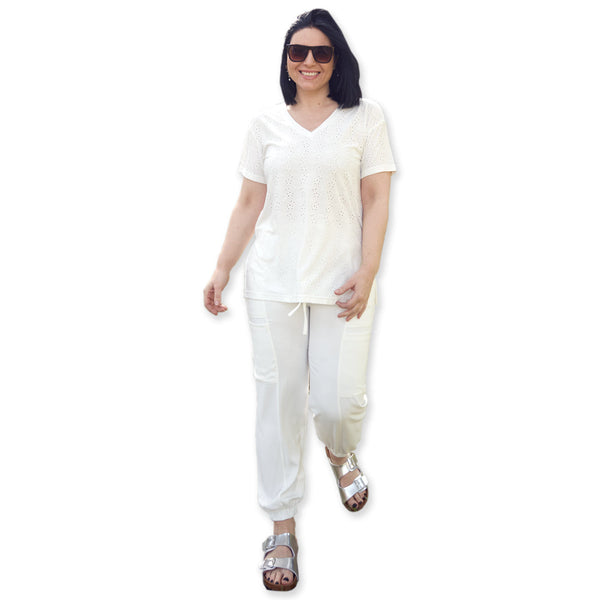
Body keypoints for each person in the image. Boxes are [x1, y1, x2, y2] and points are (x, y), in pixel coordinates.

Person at [203, 8, 396, 592]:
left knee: (339, 402)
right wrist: (222, 268)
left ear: (337, 59)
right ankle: (281, 527)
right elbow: (248, 203)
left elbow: (376, 198)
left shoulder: (365, 118)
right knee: (279, 403)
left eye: (321, 52)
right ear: (286, 62)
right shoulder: (265, 124)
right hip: (273, 283)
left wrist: (368, 270)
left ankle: (339, 453)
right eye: (298, 52)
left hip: (342, 285)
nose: (309, 61)